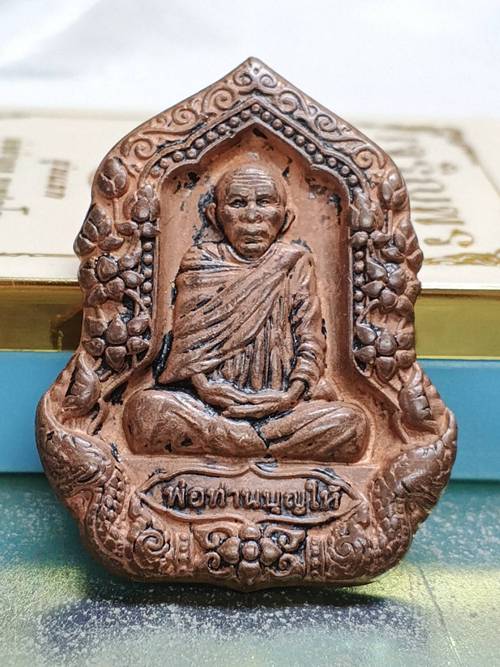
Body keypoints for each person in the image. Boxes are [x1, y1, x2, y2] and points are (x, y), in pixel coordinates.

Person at [123, 161, 367, 461]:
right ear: (214, 215)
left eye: (264, 202)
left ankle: (243, 441)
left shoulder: (294, 261)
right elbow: (188, 348)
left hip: (283, 406)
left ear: (285, 216)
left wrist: (289, 396)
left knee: (352, 424)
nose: (252, 215)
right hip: (212, 406)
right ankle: (258, 443)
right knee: (144, 412)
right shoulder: (201, 260)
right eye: (238, 203)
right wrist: (207, 390)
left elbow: (310, 339)